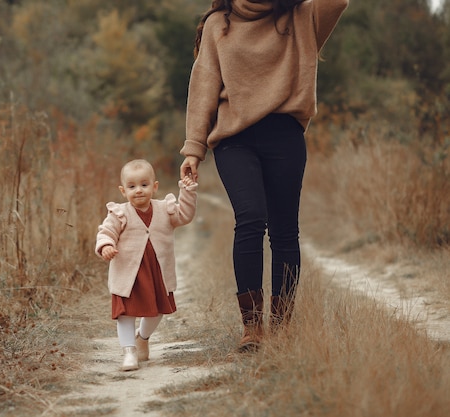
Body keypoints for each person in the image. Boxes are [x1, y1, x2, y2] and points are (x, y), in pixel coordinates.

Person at [180, 0, 348, 351]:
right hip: (234, 139)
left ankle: (283, 326)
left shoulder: (300, 15)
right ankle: (252, 328)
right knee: (251, 218)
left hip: (284, 134)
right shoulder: (218, 24)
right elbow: (204, 86)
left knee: (285, 230)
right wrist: (194, 147)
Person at [96, 159, 198, 371]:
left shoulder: (165, 209)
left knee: (157, 311)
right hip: (128, 273)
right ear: (123, 191)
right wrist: (106, 245)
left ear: (155, 186)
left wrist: (187, 192)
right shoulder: (119, 213)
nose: (139, 190)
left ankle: (142, 337)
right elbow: (106, 232)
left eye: (144, 184)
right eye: (132, 187)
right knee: (126, 312)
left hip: (157, 271)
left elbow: (186, 216)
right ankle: (129, 351)